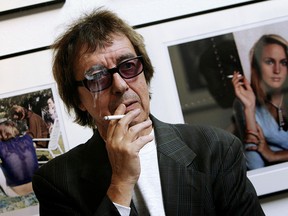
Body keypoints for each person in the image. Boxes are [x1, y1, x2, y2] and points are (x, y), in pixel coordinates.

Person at [32, 9, 264, 215]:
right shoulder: (57, 181)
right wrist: (120, 184)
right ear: (78, 99)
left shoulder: (216, 148)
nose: (121, 85)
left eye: (128, 66)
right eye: (97, 77)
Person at [232, 34, 288, 170]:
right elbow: (254, 167)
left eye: (284, 62)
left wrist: (274, 155)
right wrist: (249, 109)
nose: (277, 70)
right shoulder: (245, 104)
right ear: (256, 65)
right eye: (269, 62)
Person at [0, 120, 39, 197]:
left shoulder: (1, 146)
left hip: (15, 192)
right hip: (36, 186)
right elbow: (34, 146)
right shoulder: (28, 138)